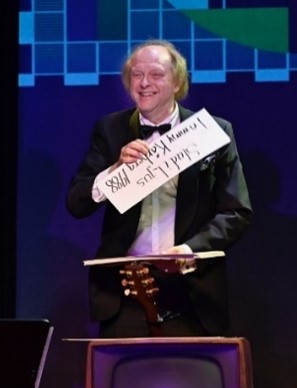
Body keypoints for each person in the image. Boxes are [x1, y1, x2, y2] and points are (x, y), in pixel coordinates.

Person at [66, 39, 252, 338]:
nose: (144, 83)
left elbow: (237, 211)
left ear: (177, 82)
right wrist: (114, 172)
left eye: (155, 74)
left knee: (189, 370)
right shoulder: (110, 129)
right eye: (137, 75)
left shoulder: (213, 132)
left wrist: (190, 250)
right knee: (120, 369)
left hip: (191, 291)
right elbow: (77, 203)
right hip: (124, 291)